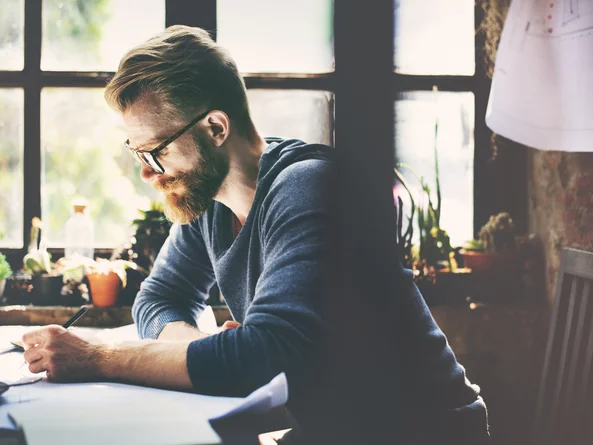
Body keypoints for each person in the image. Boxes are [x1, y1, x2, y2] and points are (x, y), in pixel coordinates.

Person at [22, 25, 489, 443]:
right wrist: (210, 351)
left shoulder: (308, 188)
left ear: (216, 127)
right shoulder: (209, 201)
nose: (147, 174)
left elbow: (267, 355)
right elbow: (159, 297)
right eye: (138, 154)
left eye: (156, 152)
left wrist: (99, 356)